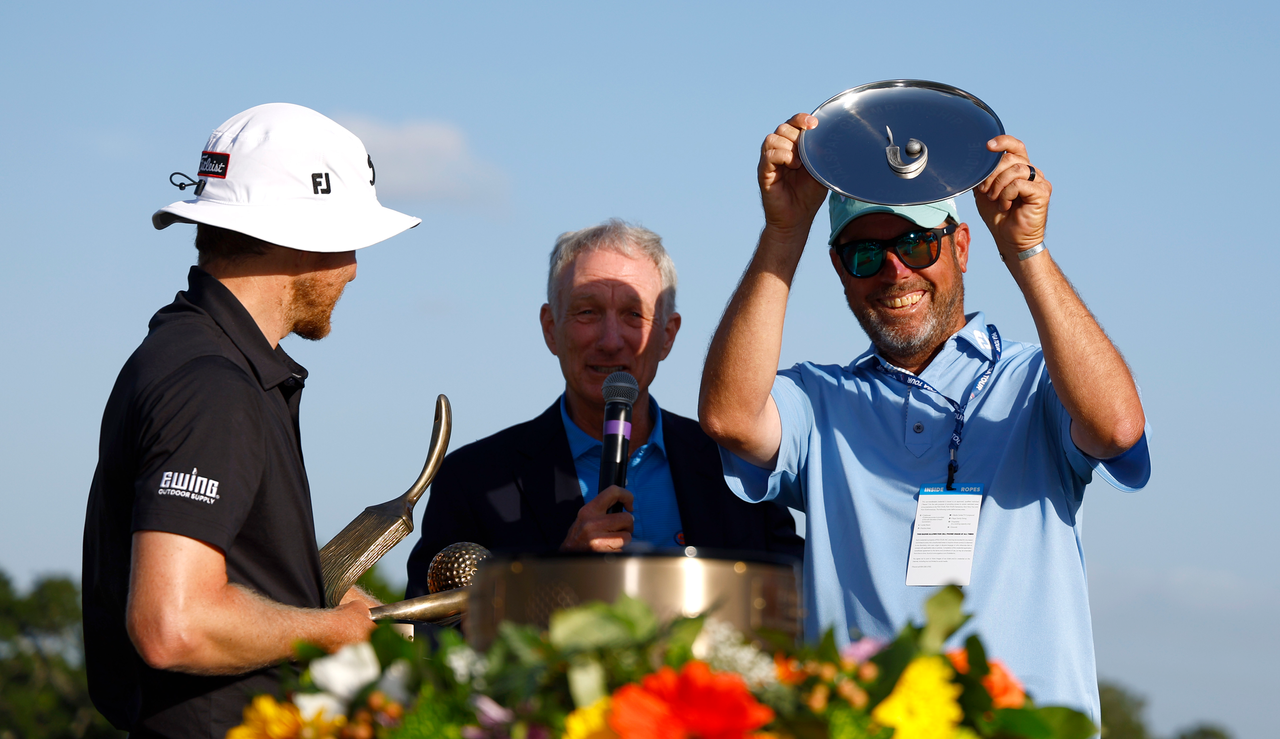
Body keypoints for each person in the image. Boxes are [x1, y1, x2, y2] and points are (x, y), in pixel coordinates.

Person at [698, 113, 1150, 724]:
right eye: (864, 254)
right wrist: (784, 230)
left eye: (917, 244)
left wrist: (1027, 251)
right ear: (838, 269)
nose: (894, 271)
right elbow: (729, 417)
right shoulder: (820, 399)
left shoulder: (1037, 380)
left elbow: (1116, 427)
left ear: (961, 247)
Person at [81, 103, 421, 736]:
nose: (352, 267)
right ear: (299, 238)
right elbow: (173, 624)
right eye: (345, 240)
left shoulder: (191, 357)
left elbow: (225, 585)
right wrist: (333, 632)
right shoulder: (214, 385)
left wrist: (319, 599)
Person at [405, 220, 802, 596]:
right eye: (587, 312)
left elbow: (799, 600)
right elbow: (432, 631)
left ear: (668, 335)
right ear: (550, 328)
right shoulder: (474, 480)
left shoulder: (733, 466)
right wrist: (560, 574)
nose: (611, 341)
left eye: (633, 314)